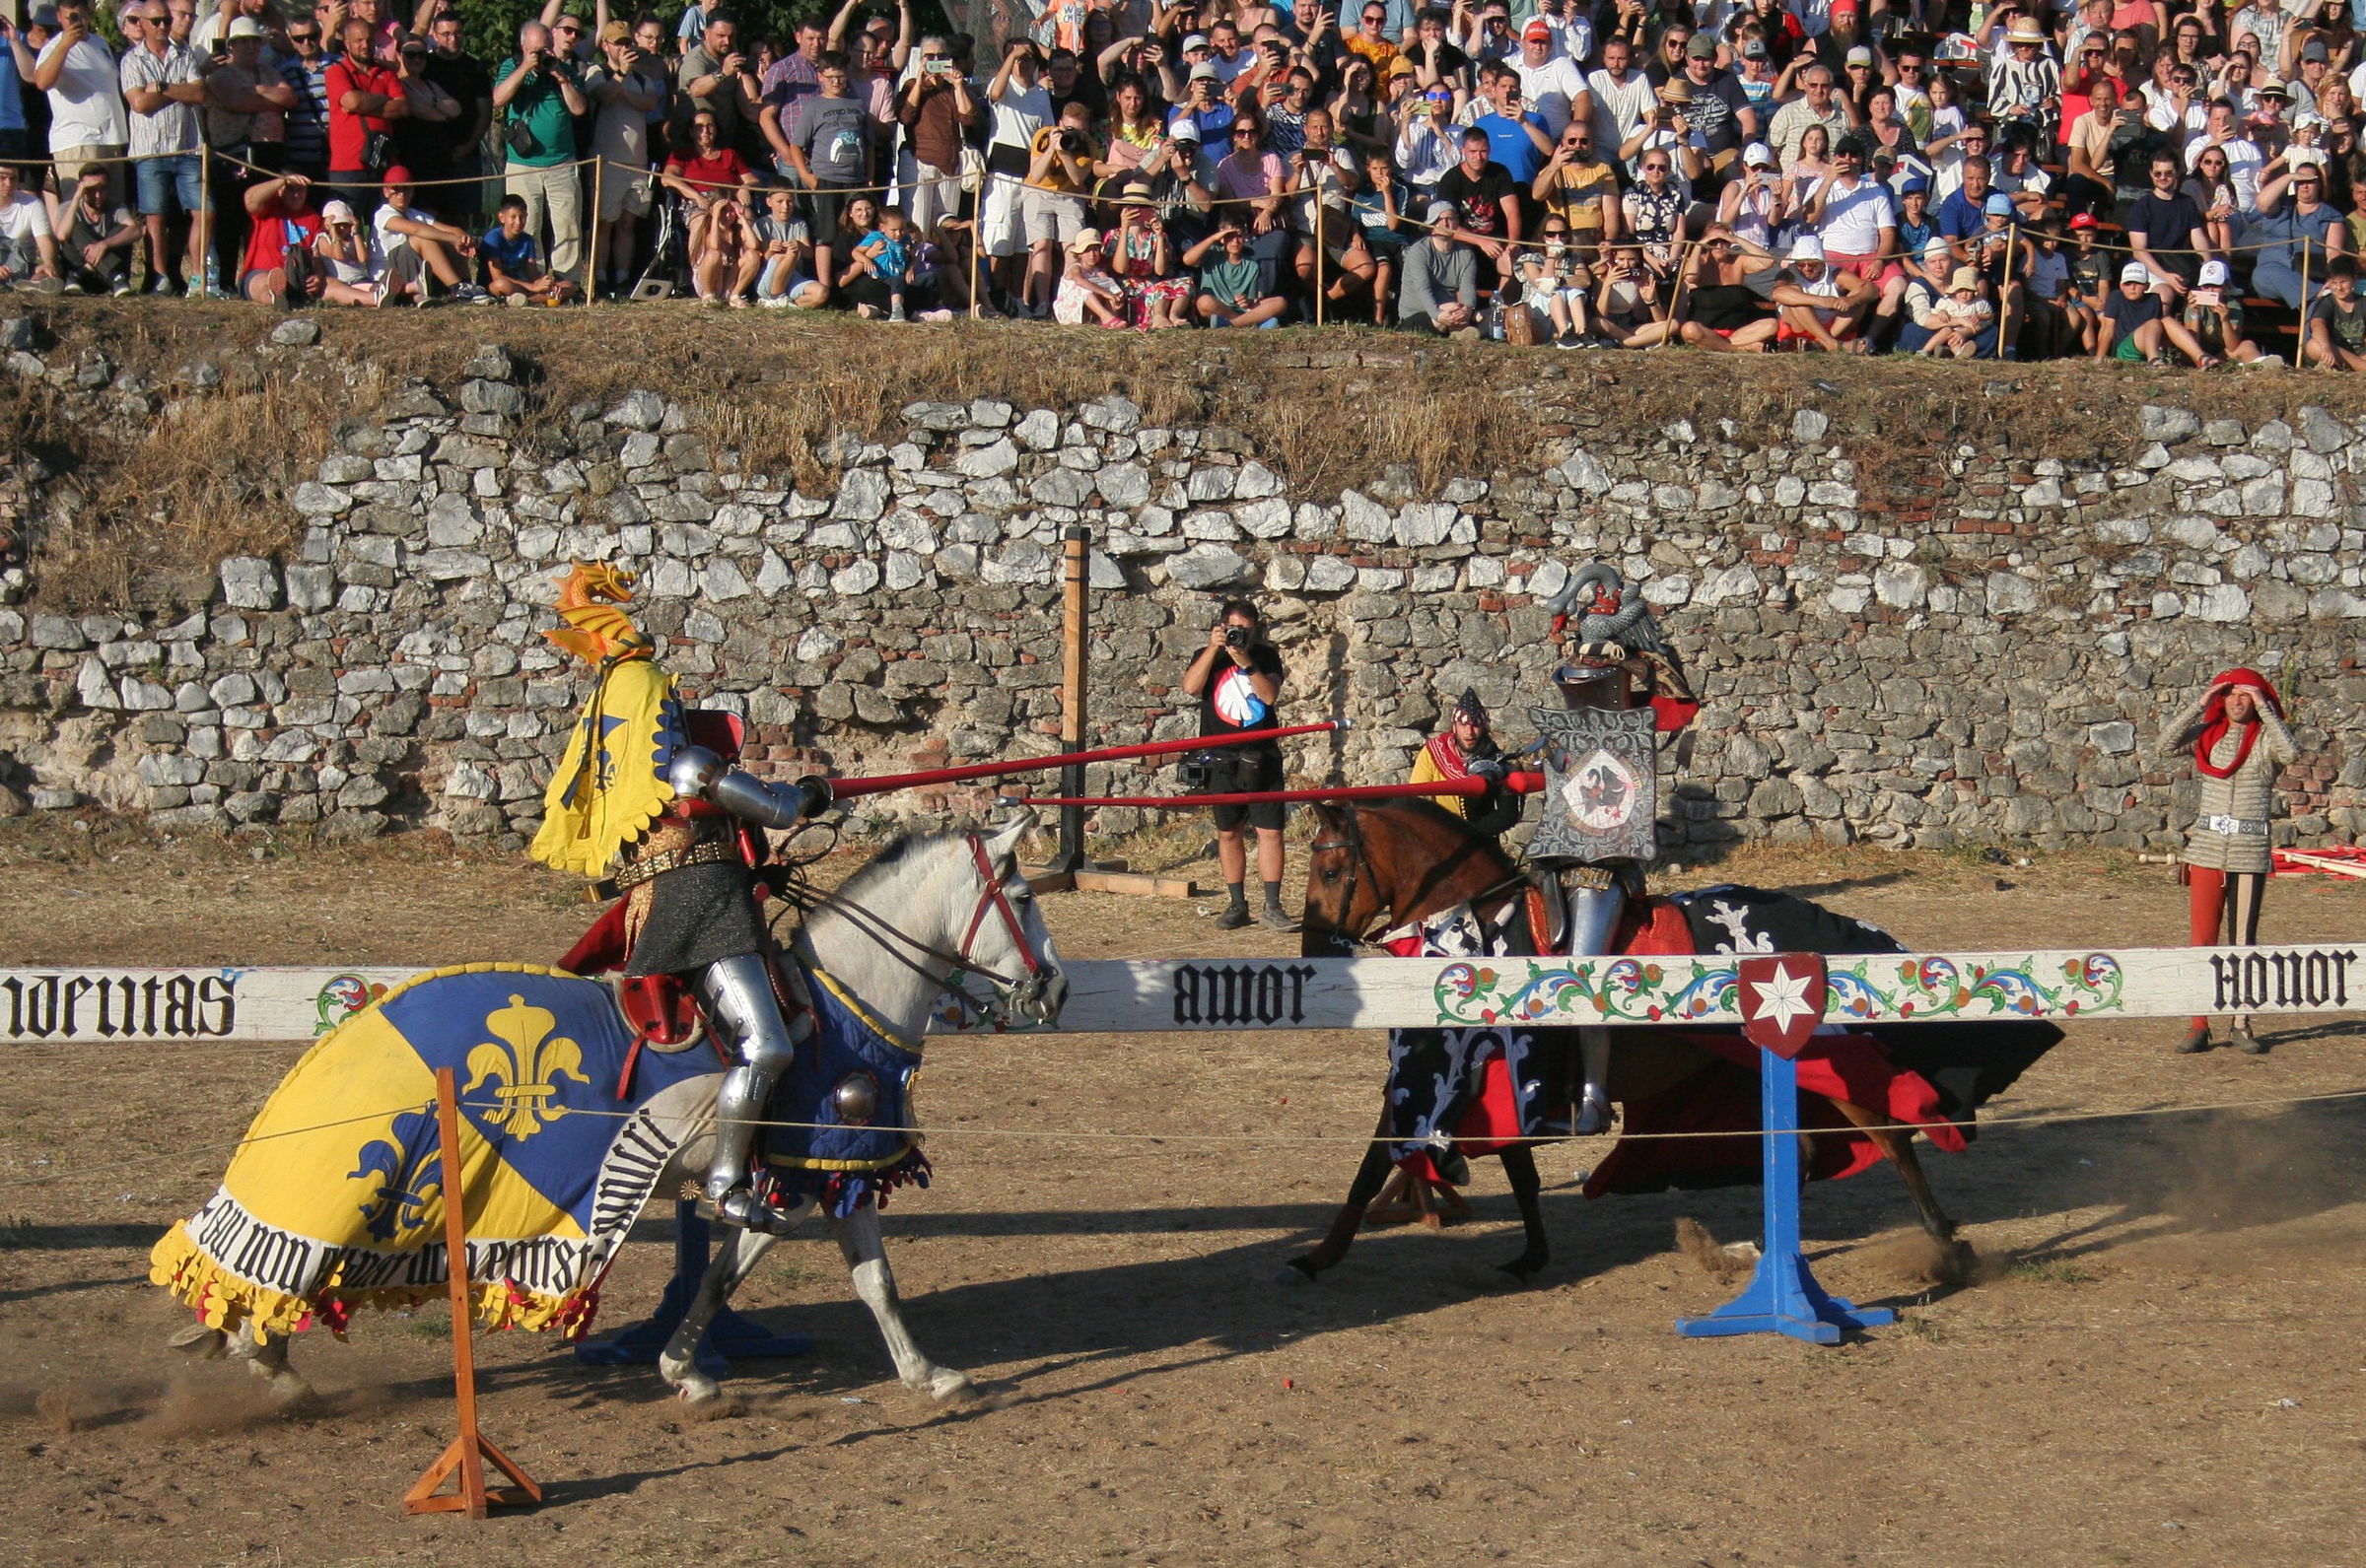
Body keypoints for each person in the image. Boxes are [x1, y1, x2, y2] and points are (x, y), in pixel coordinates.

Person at [2163, 669, 2296, 1055]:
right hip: (2206, 851)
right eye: (2232, 695)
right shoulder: (2208, 734)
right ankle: (2198, 1024)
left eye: (2246, 696)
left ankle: (2241, 1021)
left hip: (2248, 853)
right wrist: (2200, 704)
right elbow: (2163, 746)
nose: (2238, 702)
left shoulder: (2269, 740)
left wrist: (2266, 708)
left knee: (2243, 943)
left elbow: (2292, 753)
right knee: (2201, 940)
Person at [1181, 598, 1294, 931]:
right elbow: (1191, 687)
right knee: (1228, 833)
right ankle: (1237, 904)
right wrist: (1211, 650)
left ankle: (1272, 906)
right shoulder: (1208, 657)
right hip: (1221, 760)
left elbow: (1269, 696)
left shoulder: (1266, 655)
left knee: (1270, 832)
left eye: (1244, 630)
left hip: (1262, 757)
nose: (1238, 635)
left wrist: (1245, 661)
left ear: (1255, 629)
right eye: (1233, 629)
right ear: (1221, 626)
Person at [120, 0, 217, 296]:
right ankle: (159, 276)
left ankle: (199, 278)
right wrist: (180, 92)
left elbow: (199, 92)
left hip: (188, 147)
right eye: (156, 21)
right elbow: (139, 103)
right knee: (155, 216)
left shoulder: (184, 52)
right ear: (144, 24)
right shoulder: (132, 60)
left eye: (165, 20)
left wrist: (161, 88)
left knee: (205, 211)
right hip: (151, 149)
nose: (162, 26)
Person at [493, 20, 587, 294]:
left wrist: (561, 77)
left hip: (562, 161)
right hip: (523, 164)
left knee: (567, 224)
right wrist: (526, 67)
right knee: (525, 225)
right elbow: (498, 98)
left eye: (546, 49)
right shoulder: (511, 66)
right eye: (536, 50)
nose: (543, 55)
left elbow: (579, 109)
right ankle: (530, 280)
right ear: (524, 48)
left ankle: (568, 281)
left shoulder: (565, 70)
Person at [34, 0, 128, 207]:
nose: (78, 22)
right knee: (82, 209)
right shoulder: (53, 48)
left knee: (114, 208)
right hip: (79, 141)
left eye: (82, 17)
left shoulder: (99, 43)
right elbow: (42, 81)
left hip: (111, 138)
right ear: (59, 17)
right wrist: (65, 46)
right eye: (72, 17)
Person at [1407, 689, 1520, 843]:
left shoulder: (1495, 760)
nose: (1469, 732)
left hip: (1482, 837)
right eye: (1463, 725)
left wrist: (1468, 833)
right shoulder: (1433, 752)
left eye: (1475, 725)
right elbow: (1416, 800)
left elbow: (1508, 814)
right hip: (1440, 836)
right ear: (1454, 726)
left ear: (1484, 727)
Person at [373, 165, 487, 303]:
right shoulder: (383, 214)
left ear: (412, 191)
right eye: (396, 189)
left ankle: (467, 285)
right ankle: (458, 288)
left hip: (413, 268)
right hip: (389, 273)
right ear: (386, 192)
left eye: (406, 188)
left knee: (448, 238)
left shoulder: (415, 213)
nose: (401, 194)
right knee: (424, 238)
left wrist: (463, 238)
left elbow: (449, 230)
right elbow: (416, 230)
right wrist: (452, 239)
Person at [480, 187, 578, 302]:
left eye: (522, 217)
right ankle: (538, 299)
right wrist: (532, 287)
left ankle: (528, 298)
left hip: (523, 285)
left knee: (569, 285)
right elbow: (497, 276)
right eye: (513, 217)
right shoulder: (493, 238)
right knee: (501, 284)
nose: (518, 222)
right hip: (499, 285)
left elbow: (532, 273)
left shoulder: (527, 240)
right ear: (502, 217)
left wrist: (544, 283)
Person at [52, 165, 138, 294]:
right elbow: (62, 235)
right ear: (81, 188)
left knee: (124, 229)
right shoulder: (67, 208)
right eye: (91, 190)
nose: (98, 195)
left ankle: (86, 271)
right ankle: (114, 275)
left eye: (102, 188)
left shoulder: (116, 207)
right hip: (82, 280)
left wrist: (104, 244)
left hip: (93, 279)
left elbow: (136, 230)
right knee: (75, 228)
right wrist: (76, 198)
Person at [0, 160, 60, 290]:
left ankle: (33, 283)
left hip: (22, 262)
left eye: (13, 178)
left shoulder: (32, 204)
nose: (8, 183)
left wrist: (48, 262)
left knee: (42, 272)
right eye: (2, 178)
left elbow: (44, 240)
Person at [2306, 252, 2366, 369]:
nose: (2339, 287)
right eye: (2334, 283)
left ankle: (2356, 366)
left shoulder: (2362, 302)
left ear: (2354, 279)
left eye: (2343, 282)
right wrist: (2326, 347)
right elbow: (2317, 324)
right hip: (2335, 351)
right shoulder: (2327, 302)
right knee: (2313, 346)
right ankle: (2361, 367)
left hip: (2359, 352)